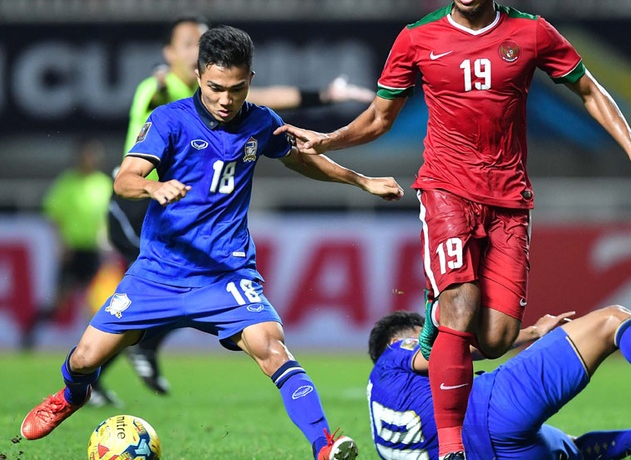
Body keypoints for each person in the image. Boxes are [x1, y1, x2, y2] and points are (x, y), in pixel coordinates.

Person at [275, 0, 631, 456]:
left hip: (509, 200)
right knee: (460, 301)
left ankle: (434, 327)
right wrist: (329, 139)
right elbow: (378, 118)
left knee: (491, 338)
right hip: (445, 189)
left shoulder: (532, 33)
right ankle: (451, 448)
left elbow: (587, 89)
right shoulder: (416, 38)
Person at [20, 25, 403, 460]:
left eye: (236, 89)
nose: (225, 99)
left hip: (225, 275)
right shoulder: (168, 119)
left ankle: (324, 446)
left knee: (272, 347)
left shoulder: (260, 122)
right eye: (216, 87)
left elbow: (304, 160)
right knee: (85, 359)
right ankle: (71, 396)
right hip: (159, 273)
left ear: (250, 80)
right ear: (199, 75)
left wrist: (362, 181)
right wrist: (153, 188)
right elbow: (125, 179)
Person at [106, 14, 376, 398]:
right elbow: (157, 92)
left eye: (199, 42)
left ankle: (124, 355)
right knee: (173, 279)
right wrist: (160, 76)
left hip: (177, 206)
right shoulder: (160, 90)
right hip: (138, 204)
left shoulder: (224, 94)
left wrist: (325, 96)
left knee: (184, 281)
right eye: (187, 44)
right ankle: (132, 351)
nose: (194, 49)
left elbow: (263, 99)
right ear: (173, 56)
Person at [367, 307, 631, 459]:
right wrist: (531, 333)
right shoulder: (396, 352)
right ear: (401, 338)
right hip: (492, 411)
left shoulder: (380, 421)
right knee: (611, 322)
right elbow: (437, 353)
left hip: (480, 454)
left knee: (575, 452)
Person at [21, 138, 112, 353]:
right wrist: (61, 245)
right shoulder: (67, 183)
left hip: (94, 250)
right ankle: (29, 334)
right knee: (59, 302)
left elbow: (107, 218)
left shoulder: (104, 184)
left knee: (96, 302)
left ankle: (91, 348)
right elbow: (55, 217)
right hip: (73, 250)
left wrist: (106, 240)